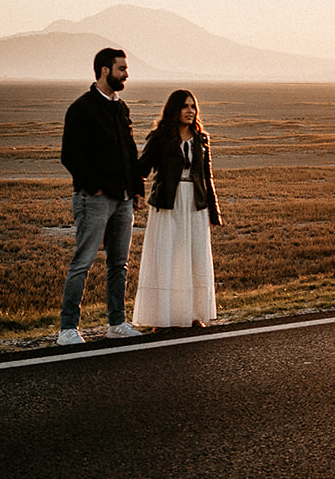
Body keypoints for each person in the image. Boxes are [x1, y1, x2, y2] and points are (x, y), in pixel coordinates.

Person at [57, 46, 146, 345]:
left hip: (122, 199)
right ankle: (68, 329)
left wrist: (136, 189)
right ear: (105, 70)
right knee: (83, 262)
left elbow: (130, 153)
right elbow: (70, 155)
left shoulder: (121, 108)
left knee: (118, 265)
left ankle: (116, 323)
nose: (126, 74)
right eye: (122, 69)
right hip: (94, 198)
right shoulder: (81, 108)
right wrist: (93, 186)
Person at [133, 88, 221, 328]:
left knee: (194, 257)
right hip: (167, 204)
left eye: (193, 107)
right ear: (174, 109)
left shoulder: (201, 139)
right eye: (185, 106)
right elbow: (142, 169)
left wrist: (214, 212)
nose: (190, 111)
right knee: (166, 257)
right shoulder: (159, 137)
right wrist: (137, 193)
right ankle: (161, 318)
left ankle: (193, 315)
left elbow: (207, 177)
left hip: (195, 205)